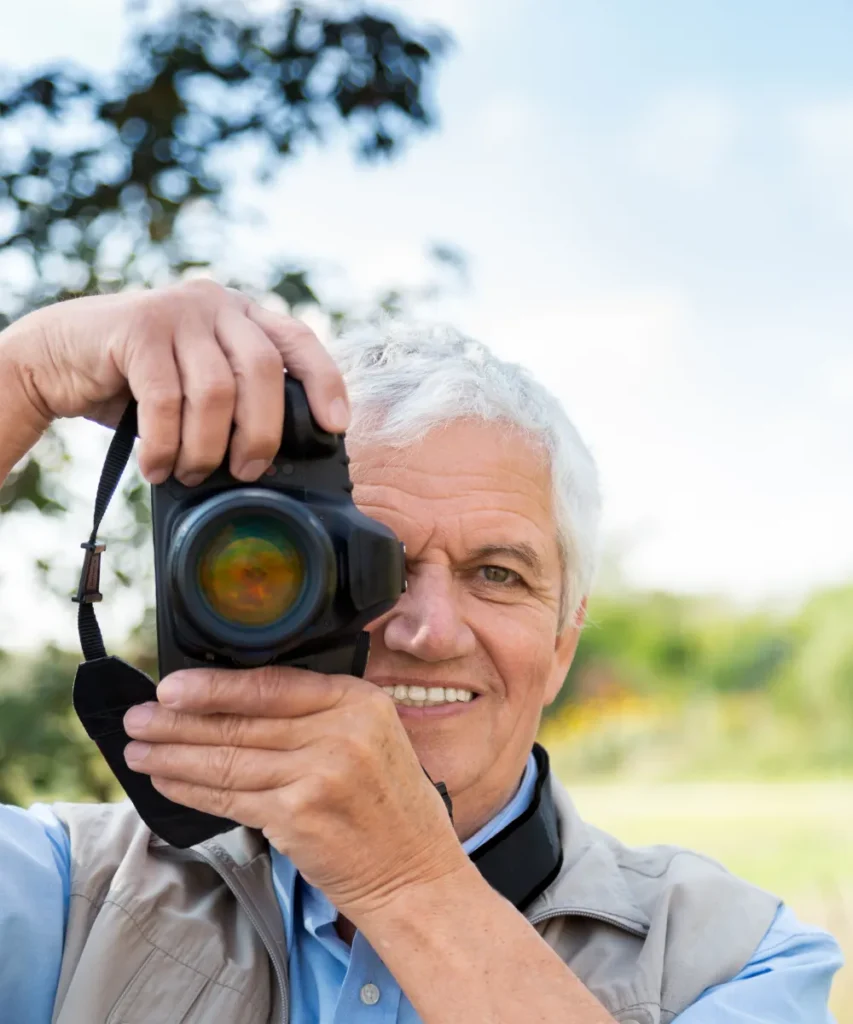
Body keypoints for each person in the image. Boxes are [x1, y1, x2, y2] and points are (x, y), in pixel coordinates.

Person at [0, 280, 843, 1024]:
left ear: (559, 645)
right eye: (377, 565)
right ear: (247, 591)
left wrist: (409, 885)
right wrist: (28, 372)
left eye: (498, 573)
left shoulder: (736, 956)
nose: (430, 631)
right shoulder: (69, 895)